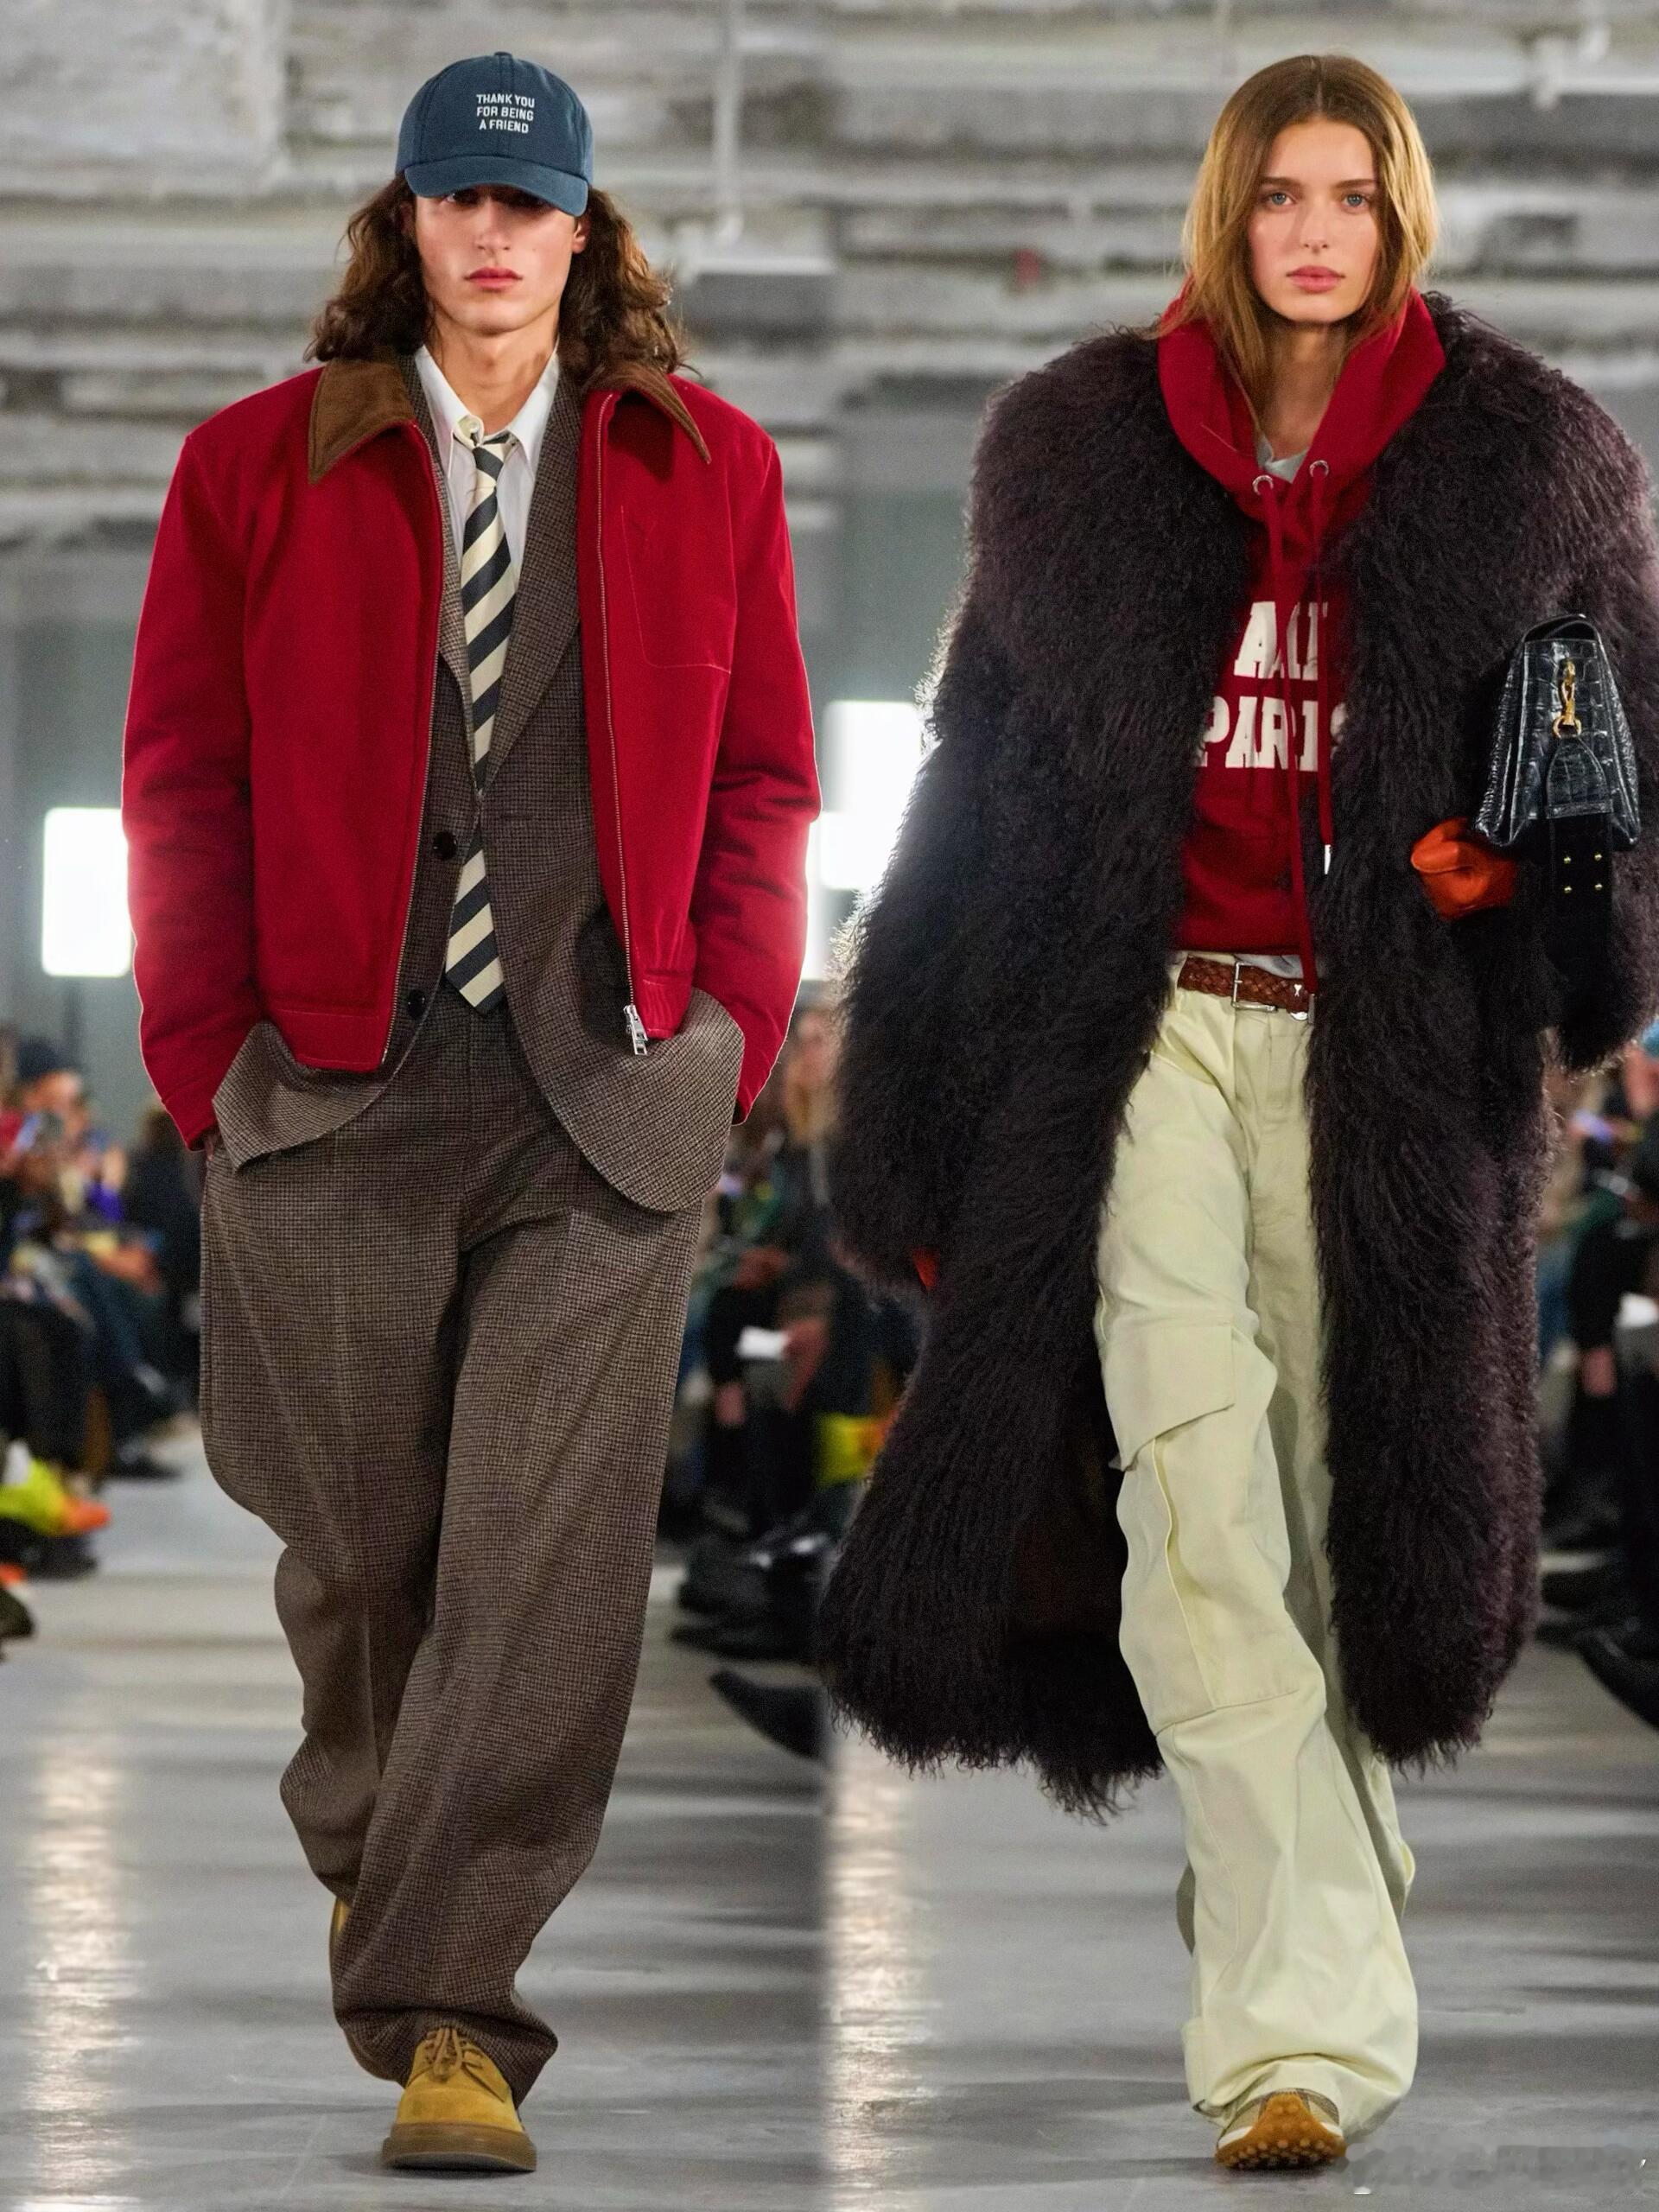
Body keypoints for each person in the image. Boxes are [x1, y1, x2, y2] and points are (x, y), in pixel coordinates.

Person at [817, 52, 1659, 2172]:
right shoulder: (1079, 452)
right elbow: (972, 784)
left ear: (1401, 214)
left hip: (1389, 1063)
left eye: (1353, 194)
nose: (1315, 230)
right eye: (1282, 191)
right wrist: (907, 1097)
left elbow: (1621, 762)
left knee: (1331, 1515)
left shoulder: (1531, 458)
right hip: (1148, 1049)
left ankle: (1301, 1922)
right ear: (1228, 208)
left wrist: (1528, 904)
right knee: (1194, 1516)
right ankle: (1295, 2041)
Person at [122, 49, 817, 2177]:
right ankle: (394, 1850)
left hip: (605, 1092)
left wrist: (731, 1029)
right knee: (357, 1549)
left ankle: (458, 2013)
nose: (497, 236)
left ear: (587, 229)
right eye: (460, 201)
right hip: (329, 1087)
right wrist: (205, 1057)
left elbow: (770, 778)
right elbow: (180, 780)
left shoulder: (707, 463)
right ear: (406, 222)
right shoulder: (255, 463)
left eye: (531, 204)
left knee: (541, 1563)